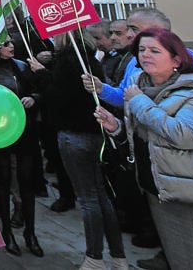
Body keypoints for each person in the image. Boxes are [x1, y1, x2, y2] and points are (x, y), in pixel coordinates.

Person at [92, 28, 193, 270]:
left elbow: (182, 135)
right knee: (180, 262)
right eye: (141, 50)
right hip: (162, 192)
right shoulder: (144, 91)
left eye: (154, 50)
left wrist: (139, 100)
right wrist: (117, 127)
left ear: (176, 60)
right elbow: (146, 138)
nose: (145, 55)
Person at [44, 30, 127, 270]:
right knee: (100, 196)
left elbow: (58, 98)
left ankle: (94, 258)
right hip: (95, 133)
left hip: (74, 135)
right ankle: (118, 257)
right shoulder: (91, 59)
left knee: (89, 199)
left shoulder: (66, 63)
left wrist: (42, 77)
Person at [86, 7, 193, 126]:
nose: (129, 35)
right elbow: (125, 97)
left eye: (134, 29)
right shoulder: (134, 62)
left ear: (160, 31)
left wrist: (169, 116)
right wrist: (102, 89)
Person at [0, 30, 45, 257]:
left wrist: (33, 98)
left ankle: (31, 233)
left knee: (27, 184)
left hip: (24, 132)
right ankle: (7, 232)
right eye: (5, 43)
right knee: (3, 183)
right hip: (0, 135)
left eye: (11, 42)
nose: (11, 46)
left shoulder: (22, 67)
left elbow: (39, 91)